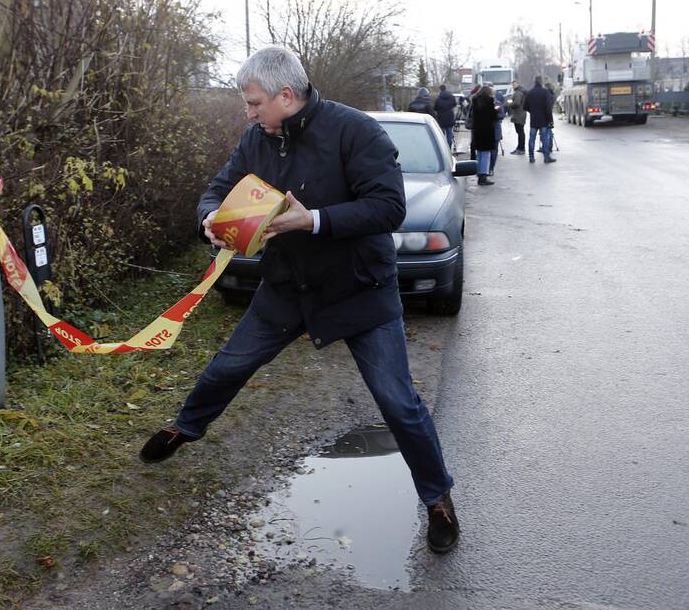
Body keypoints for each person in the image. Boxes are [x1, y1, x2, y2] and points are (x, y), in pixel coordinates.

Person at [139, 46, 460, 554]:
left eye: (254, 104)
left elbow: (387, 207)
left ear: (286, 96)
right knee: (227, 366)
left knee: (399, 403)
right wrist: (210, 222)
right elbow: (220, 190)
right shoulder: (256, 139)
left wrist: (312, 220)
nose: (248, 114)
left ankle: (438, 502)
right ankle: (185, 427)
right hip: (288, 286)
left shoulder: (356, 132)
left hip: (360, 291)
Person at [523, 75, 556, 164]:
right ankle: (546, 157)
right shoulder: (545, 92)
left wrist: (532, 111)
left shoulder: (530, 93)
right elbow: (548, 107)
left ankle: (531, 157)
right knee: (545, 139)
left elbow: (525, 106)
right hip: (544, 120)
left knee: (532, 139)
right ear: (541, 82)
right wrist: (550, 120)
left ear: (535, 81)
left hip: (534, 119)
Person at [470, 83, 498, 185]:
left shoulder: (475, 101)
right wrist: (496, 110)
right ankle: (483, 176)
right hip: (487, 131)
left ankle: (479, 173)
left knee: (480, 153)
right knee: (486, 154)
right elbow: (493, 117)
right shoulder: (490, 102)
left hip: (477, 130)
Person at [433, 84, 458, 151]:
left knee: (442, 134)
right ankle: (449, 148)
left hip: (441, 118)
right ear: (445, 89)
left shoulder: (438, 99)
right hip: (450, 117)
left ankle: (443, 149)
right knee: (449, 133)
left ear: (440, 89)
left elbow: (435, 108)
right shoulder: (452, 97)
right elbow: (455, 104)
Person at [508, 80, 527, 155]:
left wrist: (510, 104)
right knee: (520, 132)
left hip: (519, 114)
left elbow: (517, 103)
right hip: (521, 113)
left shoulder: (518, 93)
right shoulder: (520, 92)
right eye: (512, 85)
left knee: (520, 132)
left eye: (514, 84)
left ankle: (521, 148)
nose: (513, 86)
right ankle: (519, 147)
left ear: (518, 84)